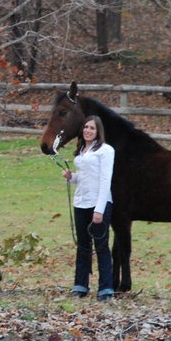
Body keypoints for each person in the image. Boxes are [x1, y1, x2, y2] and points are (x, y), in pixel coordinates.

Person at [61, 115, 115, 300]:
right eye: (86, 127)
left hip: (98, 203)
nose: (88, 131)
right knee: (83, 245)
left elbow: (105, 179)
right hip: (81, 202)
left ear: (98, 131)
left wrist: (99, 209)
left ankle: (106, 288)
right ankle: (80, 285)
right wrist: (71, 177)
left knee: (101, 246)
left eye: (92, 128)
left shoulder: (106, 150)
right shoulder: (82, 150)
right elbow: (84, 177)